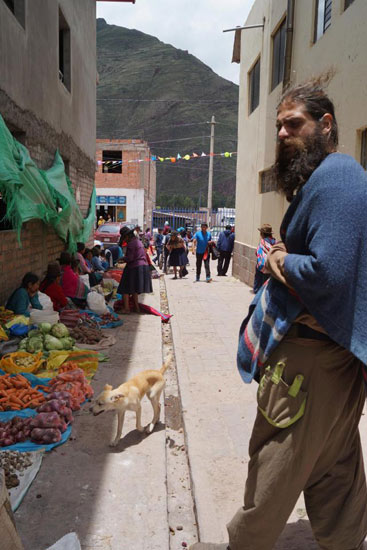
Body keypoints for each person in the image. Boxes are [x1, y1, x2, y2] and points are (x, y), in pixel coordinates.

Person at [191, 80, 367, 550]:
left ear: (325, 125)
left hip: (307, 368)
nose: (284, 134)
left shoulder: (338, 177)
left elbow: (329, 273)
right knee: (336, 470)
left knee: (275, 467)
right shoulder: (332, 179)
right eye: (279, 127)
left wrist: (278, 260)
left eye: (294, 124)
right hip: (335, 363)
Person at [117, 226, 152, 314]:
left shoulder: (131, 244)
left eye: (124, 237)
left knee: (124, 288)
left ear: (127, 236)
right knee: (134, 289)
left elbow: (130, 258)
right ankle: (137, 308)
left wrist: (122, 259)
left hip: (135, 266)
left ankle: (126, 309)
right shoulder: (138, 241)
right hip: (143, 266)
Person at [253, 224, 276, 293]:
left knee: (259, 280)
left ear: (262, 233)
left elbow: (257, 252)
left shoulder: (262, 242)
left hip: (262, 265)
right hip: (271, 265)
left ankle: (257, 292)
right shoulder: (275, 242)